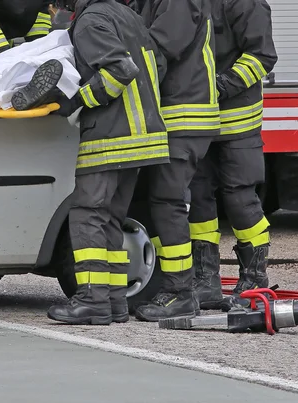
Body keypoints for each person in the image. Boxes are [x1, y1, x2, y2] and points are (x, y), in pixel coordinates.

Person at [14, 0, 169, 325]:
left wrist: (77, 100)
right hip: (144, 135)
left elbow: (119, 72)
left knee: (86, 215)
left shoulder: (89, 21)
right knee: (111, 218)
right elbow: (160, 64)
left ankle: (93, 300)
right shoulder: (128, 15)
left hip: (112, 135)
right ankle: (113, 301)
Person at [130, 0, 221, 322]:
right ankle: (177, 286)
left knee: (168, 202)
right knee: (160, 201)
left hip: (184, 115)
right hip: (176, 115)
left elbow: (158, 49)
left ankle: (181, 292)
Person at [188, 0, 278, 311]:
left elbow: (261, 55)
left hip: (237, 119)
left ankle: (254, 278)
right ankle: (205, 279)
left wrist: (221, 86)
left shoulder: (246, 3)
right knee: (197, 197)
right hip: (198, 119)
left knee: (240, 197)